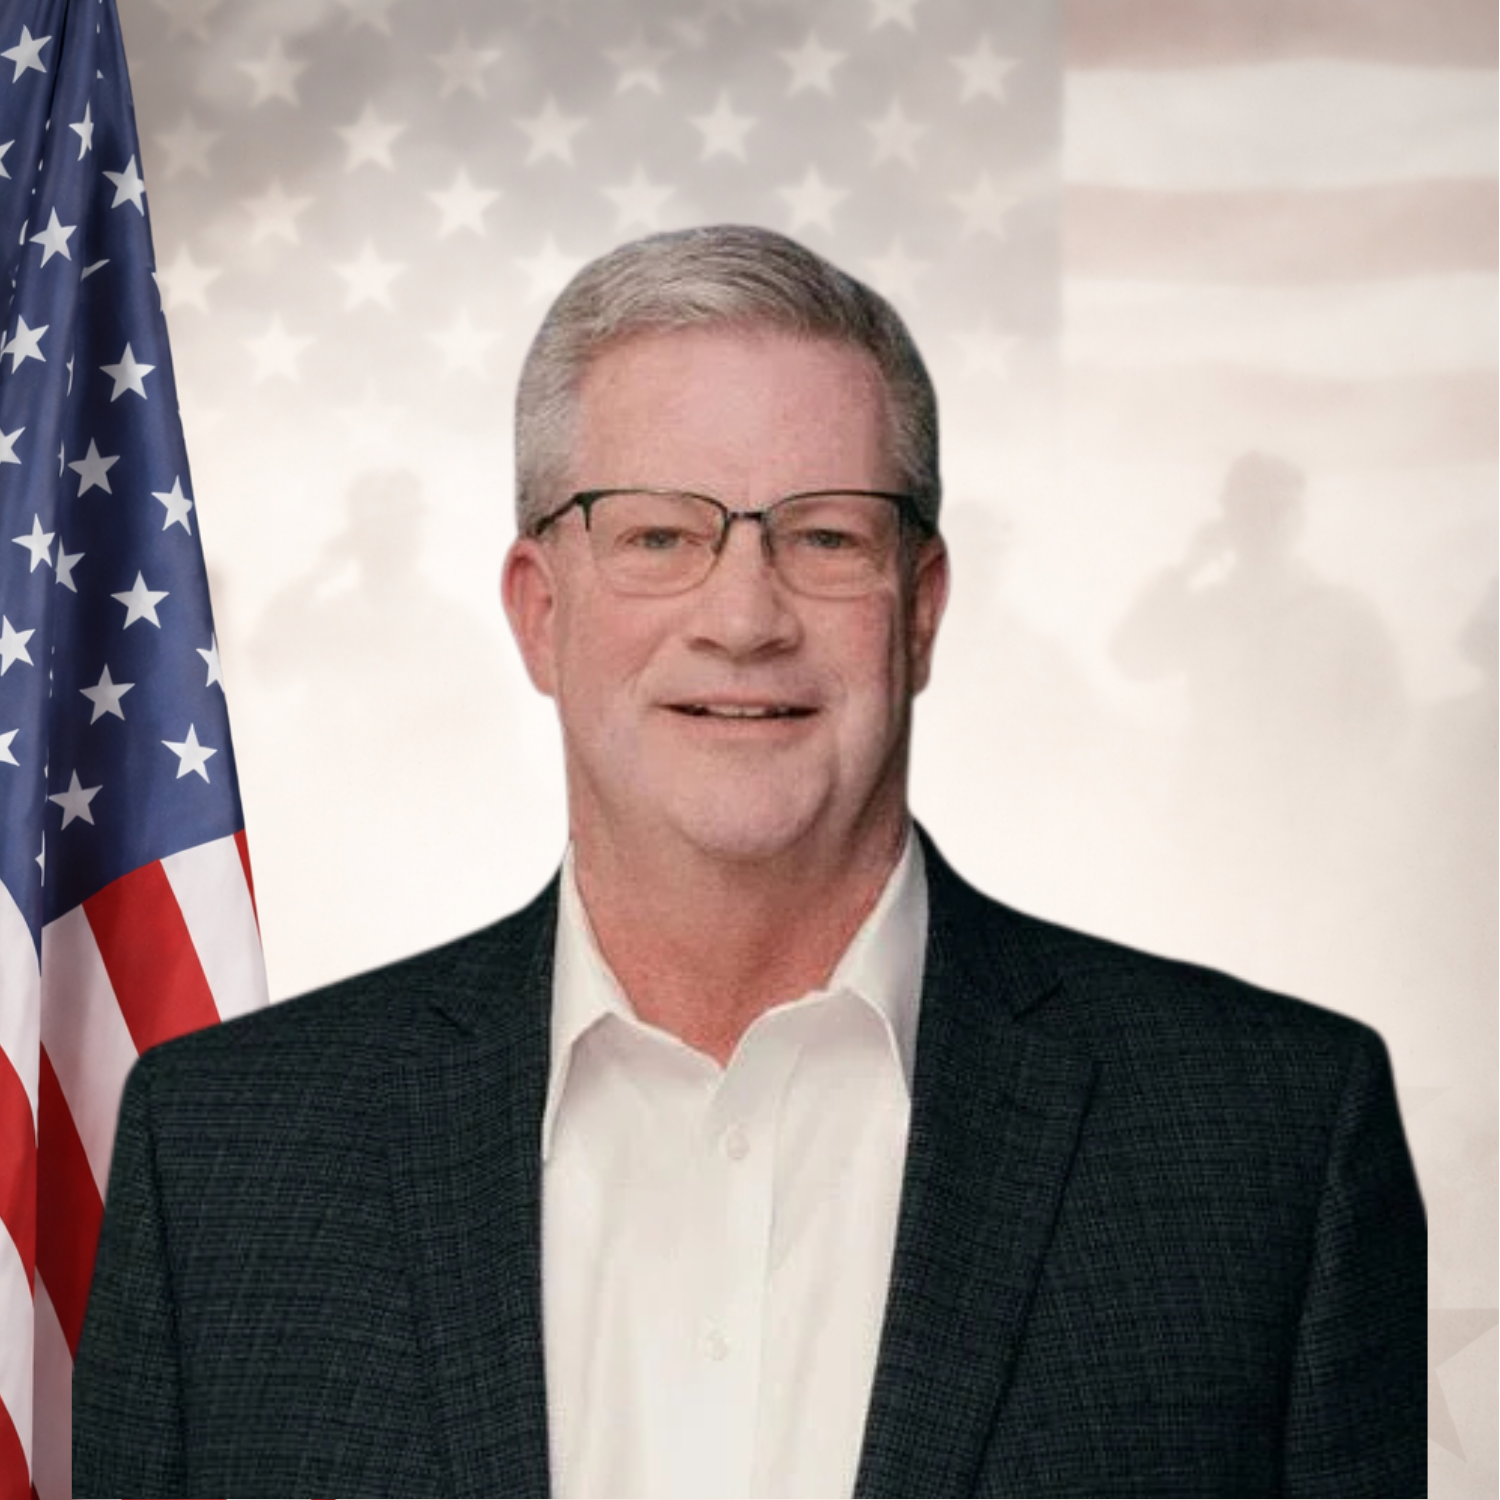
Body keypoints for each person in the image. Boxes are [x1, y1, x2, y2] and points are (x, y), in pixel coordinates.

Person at [72, 226, 1425, 1499]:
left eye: (826, 535)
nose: (744, 615)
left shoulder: (1272, 1145)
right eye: (661, 533)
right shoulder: (227, 1161)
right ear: (540, 615)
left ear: (922, 610)